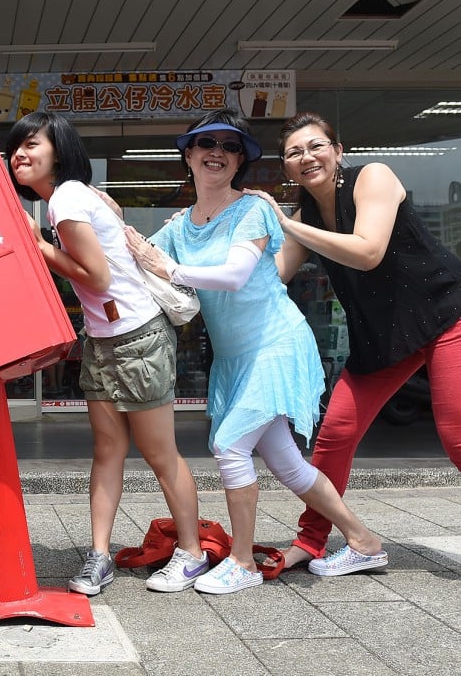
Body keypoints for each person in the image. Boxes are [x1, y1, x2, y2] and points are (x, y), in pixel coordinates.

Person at [125, 108, 386, 594]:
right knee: (288, 465)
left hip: (275, 346)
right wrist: (99, 223)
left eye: (229, 146)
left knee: (229, 446)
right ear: (189, 156)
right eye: (206, 144)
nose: (216, 153)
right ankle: (364, 540)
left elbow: (234, 275)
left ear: (240, 160)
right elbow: (132, 254)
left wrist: (170, 270)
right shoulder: (181, 225)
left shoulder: (253, 210)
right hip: (234, 360)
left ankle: (242, 563)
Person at [245, 111, 461, 569]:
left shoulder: (373, 178)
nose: (306, 157)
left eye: (316, 146)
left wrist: (285, 224)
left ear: (338, 151)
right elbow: (271, 278)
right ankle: (313, 540)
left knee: (456, 433)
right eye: (293, 152)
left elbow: (367, 252)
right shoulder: (306, 216)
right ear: (285, 167)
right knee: (335, 434)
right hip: (383, 338)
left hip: (444, 316)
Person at [7, 111, 207, 595]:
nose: (20, 154)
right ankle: (98, 556)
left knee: (159, 454)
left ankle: (193, 554)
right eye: (15, 147)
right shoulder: (76, 197)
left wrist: (38, 247)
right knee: (107, 451)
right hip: (105, 339)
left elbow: (95, 276)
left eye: (32, 143)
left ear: (60, 150)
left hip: (137, 338)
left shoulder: (68, 198)